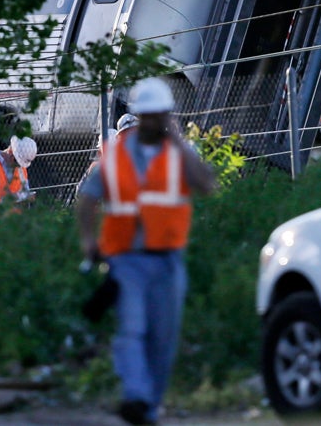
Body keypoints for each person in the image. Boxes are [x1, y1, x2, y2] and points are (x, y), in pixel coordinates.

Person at [75, 77, 217, 426]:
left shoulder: (180, 152)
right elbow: (89, 196)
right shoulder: (118, 154)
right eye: (147, 115)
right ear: (139, 115)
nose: (152, 121)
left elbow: (207, 185)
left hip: (168, 259)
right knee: (131, 330)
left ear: (167, 115)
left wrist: (179, 140)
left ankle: (148, 408)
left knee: (162, 338)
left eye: (158, 116)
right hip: (126, 258)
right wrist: (88, 240)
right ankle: (136, 396)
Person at [0, 135, 37, 204]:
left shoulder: (21, 168)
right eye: (17, 162)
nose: (18, 166)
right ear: (11, 151)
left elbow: (25, 190)